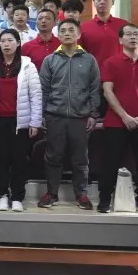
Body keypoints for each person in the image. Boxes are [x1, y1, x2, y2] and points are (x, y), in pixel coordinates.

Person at [98, 24, 138, 215]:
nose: (133, 37)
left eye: (136, 34)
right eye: (128, 34)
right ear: (120, 39)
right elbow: (107, 91)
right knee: (110, 161)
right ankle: (105, 199)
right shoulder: (111, 62)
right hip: (116, 122)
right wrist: (125, 116)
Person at [0, 29, 41, 212]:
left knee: (19, 159)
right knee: (1, 159)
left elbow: (36, 94)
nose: (6, 44)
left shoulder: (28, 65)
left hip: (20, 121)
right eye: (3, 41)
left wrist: (35, 122)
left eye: (10, 40)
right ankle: (2, 195)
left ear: (18, 43)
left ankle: (18, 196)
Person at [38, 19, 99, 210]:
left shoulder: (89, 60)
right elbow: (43, 89)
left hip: (80, 117)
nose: (67, 33)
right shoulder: (50, 60)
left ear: (78, 34)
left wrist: (93, 114)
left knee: (80, 159)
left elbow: (94, 89)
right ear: (58, 35)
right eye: (63, 30)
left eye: (71, 30)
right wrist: (42, 114)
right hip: (54, 115)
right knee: (53, 156)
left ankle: (81, 194)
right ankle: (51, 193)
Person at [79, 0, 128, 70]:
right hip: (94, 73)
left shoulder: (124, 25)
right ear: (94, 3)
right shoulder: (83, 27)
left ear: (113, 2)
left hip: (120, 71)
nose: (102, 2)